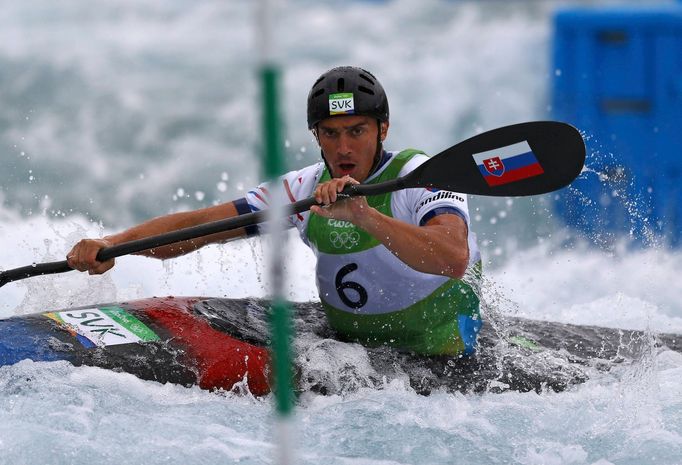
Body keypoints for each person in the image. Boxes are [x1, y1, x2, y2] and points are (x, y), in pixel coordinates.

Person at [67, 66, 482, 356]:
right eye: (330, 134)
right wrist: (113, 244)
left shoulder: (418, 174)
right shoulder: (303, 187)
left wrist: (364, 215)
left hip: (440, 346)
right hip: (351, 344)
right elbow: (203, 226)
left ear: (383, 130)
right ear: (316, 135)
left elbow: (452, 257)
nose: (343, 149)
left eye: (357, 131)